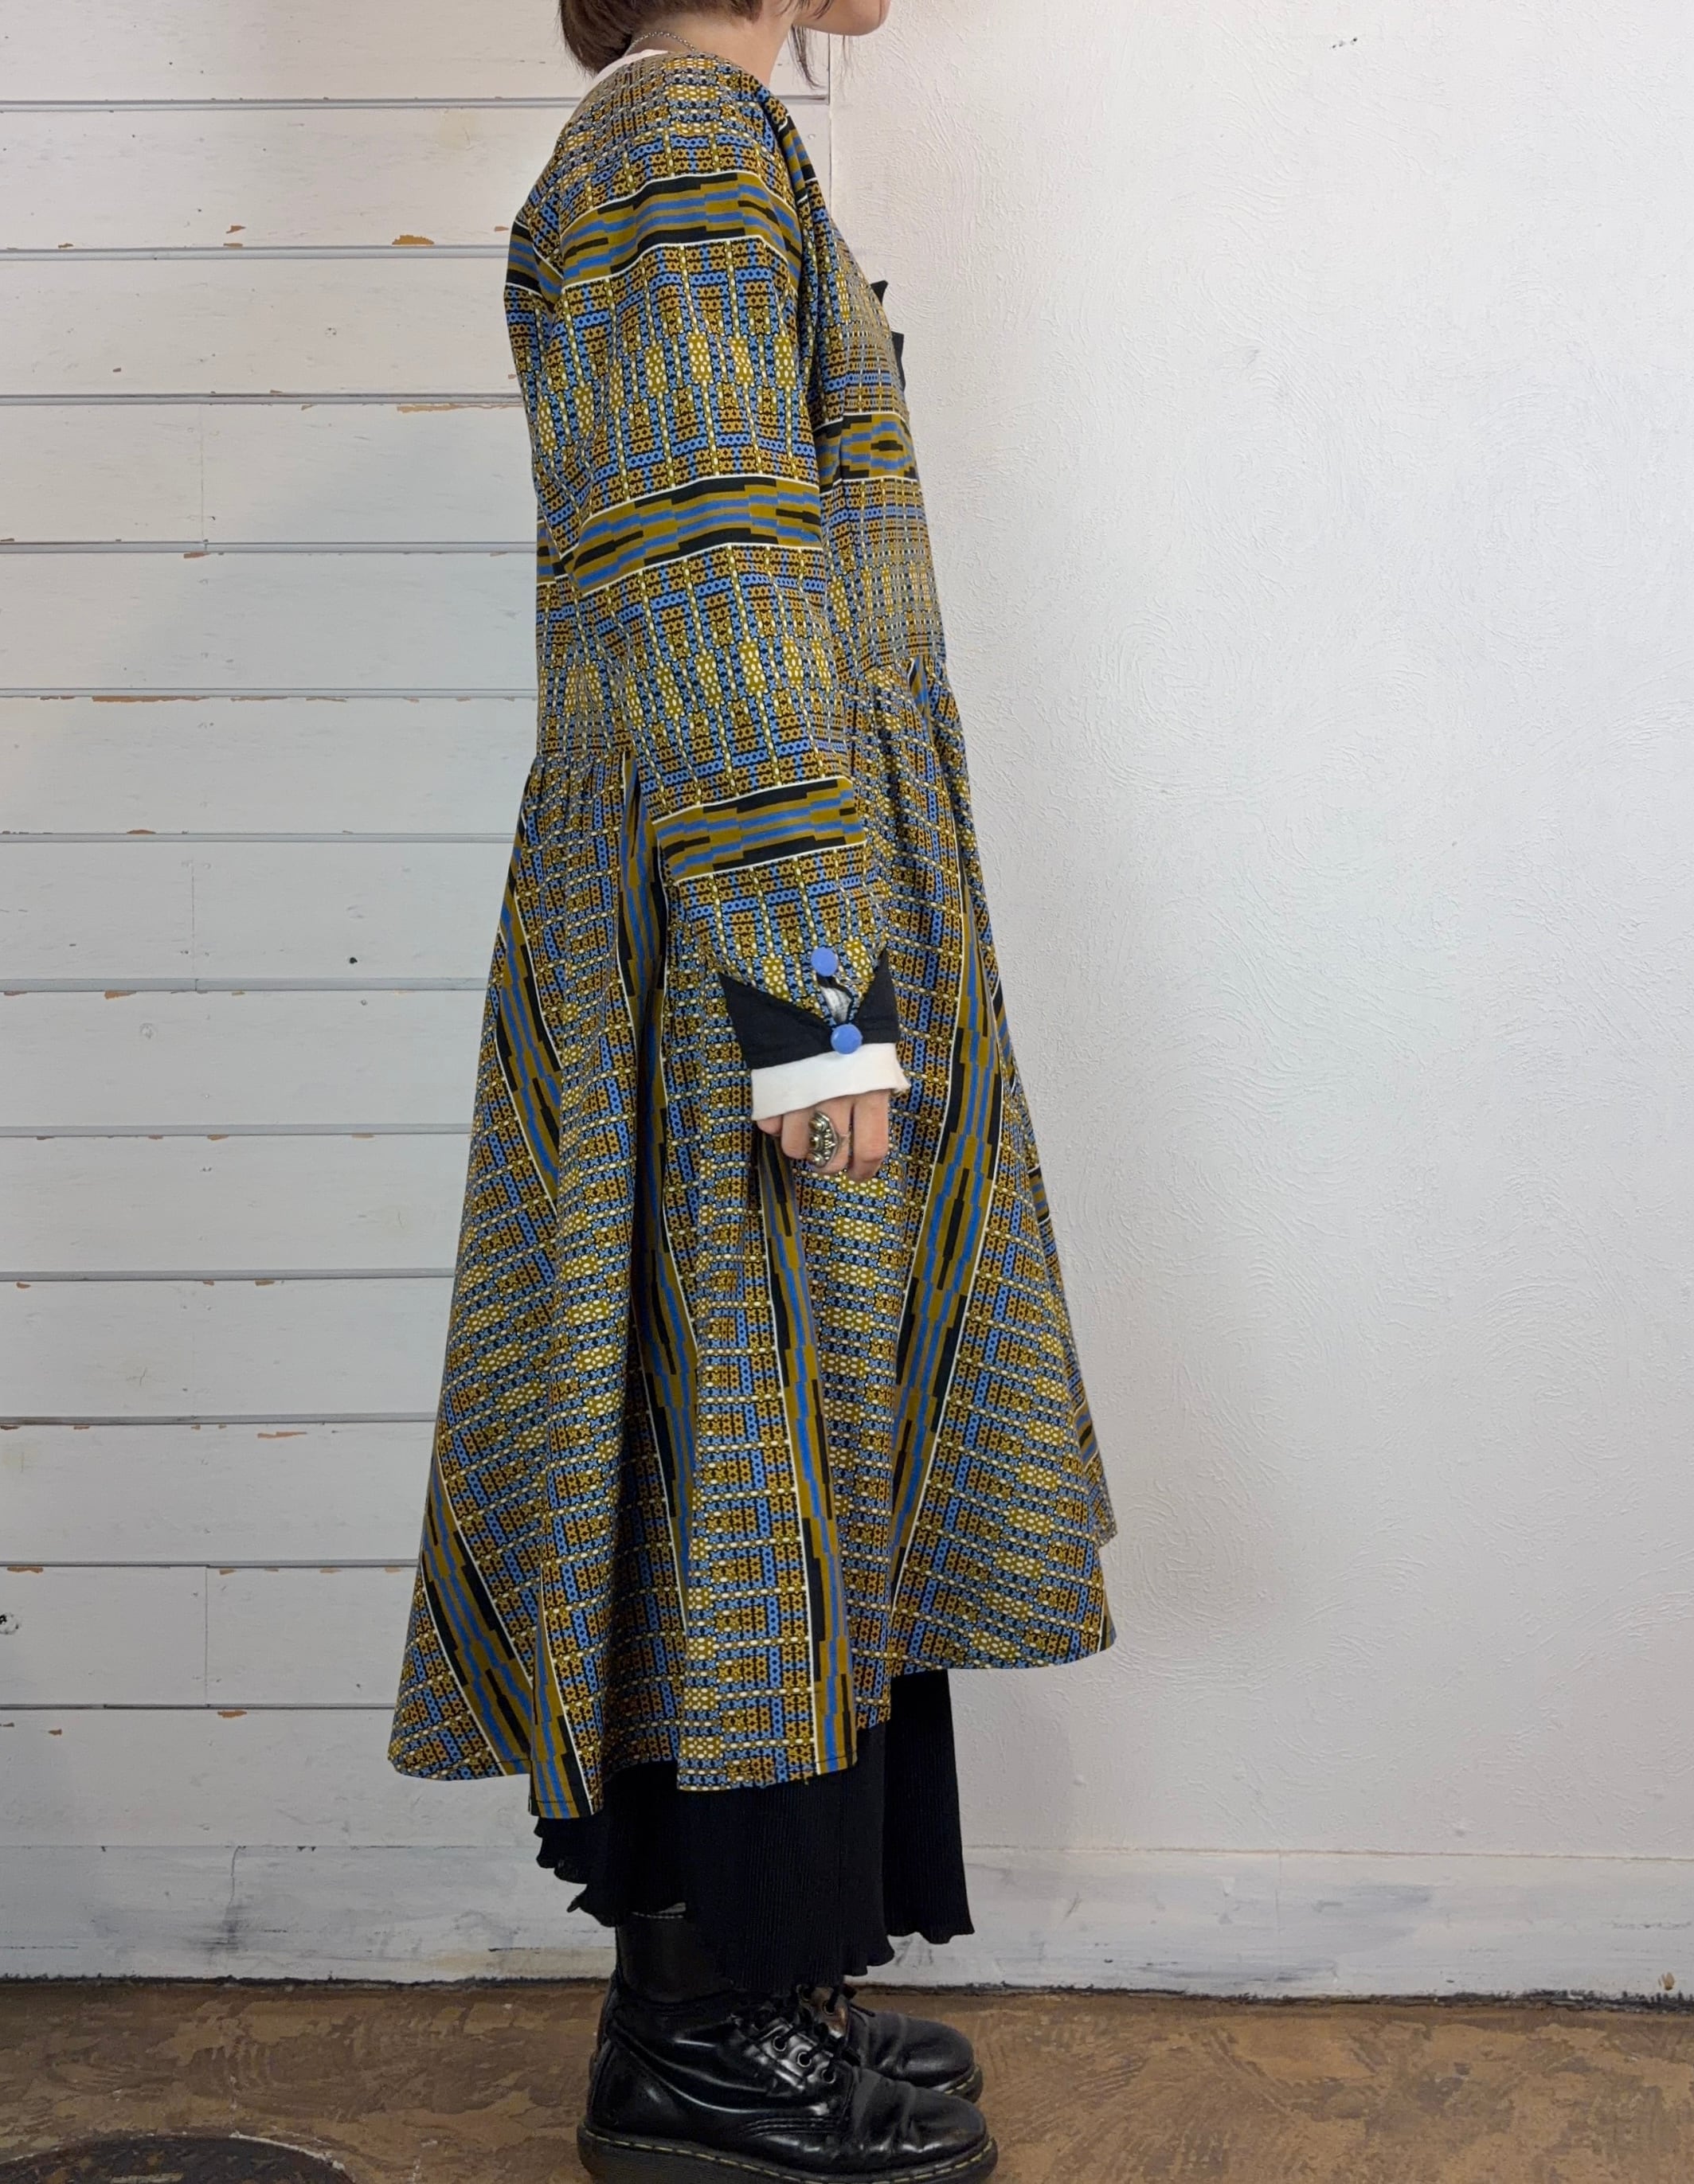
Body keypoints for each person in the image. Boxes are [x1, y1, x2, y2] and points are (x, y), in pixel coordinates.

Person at [388, 5, 1117, 2176]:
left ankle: (755, 2001)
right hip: (747, 943)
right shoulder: (680, 146)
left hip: (758, 910)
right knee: (747, 1470)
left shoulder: (703, 141)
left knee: (780, 1470)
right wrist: (813, 1011)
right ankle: (709, 2047)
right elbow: (709, 600)